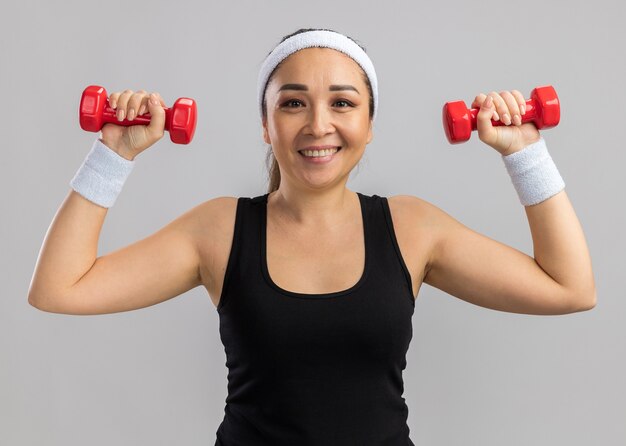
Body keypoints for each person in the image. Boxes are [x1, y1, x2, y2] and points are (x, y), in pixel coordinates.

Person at [28, 28, 596, 445]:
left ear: (369, 125)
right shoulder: (220, 230)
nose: (318, 125)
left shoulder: (412, 227)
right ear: (265, 123)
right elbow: (59, 288)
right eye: (293, 102)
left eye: (342, 103)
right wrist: (114, 154)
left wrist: (526, 151)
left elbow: (570, 288)